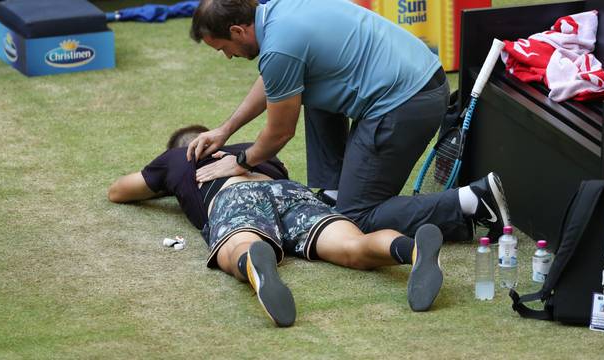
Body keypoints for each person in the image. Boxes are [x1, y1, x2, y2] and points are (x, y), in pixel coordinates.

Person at [186, 0, 509, 242]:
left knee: (358, 217)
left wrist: (241, 161)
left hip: (405, 106)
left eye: (224, 48)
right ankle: (336, 189)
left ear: (237, 31)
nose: (228, 56)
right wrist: (225, 130)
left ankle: (473, 200)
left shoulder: (280, 49)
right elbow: (276, 82)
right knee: (306, 90)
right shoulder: (283, 11)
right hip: (419, 81)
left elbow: (280, 132)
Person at [108, 125, 451, 327]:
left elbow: (118, 191)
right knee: (353, 247)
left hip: (234, 197)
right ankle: (412, 249)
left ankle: (253, 260)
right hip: (287, 191)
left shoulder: (177, 160)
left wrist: (172, 184)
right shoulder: (253, 151)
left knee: (237, 243)